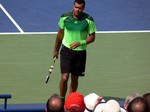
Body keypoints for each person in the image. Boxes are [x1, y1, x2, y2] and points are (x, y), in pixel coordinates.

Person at [53, 0, 96, 103]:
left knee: (75, 78)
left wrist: (80, 42)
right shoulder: (65, 17)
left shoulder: (89, 20)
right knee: (64, 77)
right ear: (73, 6)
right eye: (76, 7)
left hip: (80, 53)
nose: (77, 9)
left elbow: (92, 37)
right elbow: (60, 34)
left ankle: (70, 101)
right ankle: (62, 100)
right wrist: (55, 50)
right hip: (66, 51)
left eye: (80, 8)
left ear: (83, 7)